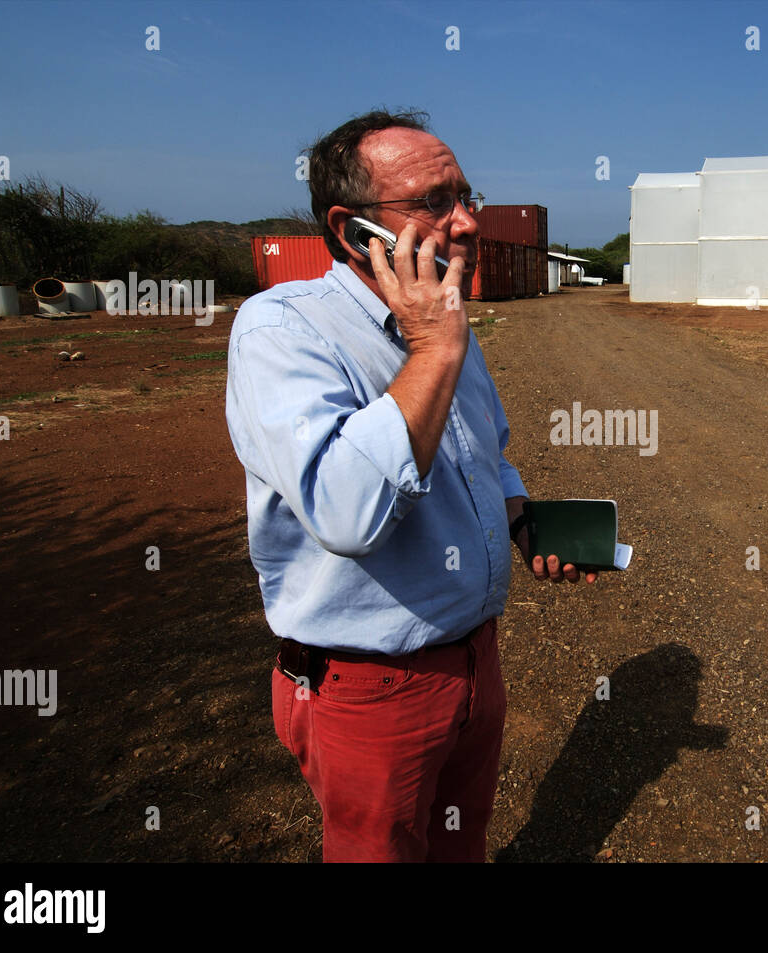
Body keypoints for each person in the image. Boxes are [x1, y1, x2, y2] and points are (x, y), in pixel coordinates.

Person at [225, 108, 596, 862]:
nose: (467, 222)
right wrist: (431, 350)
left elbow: (488, 455)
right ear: (351, 229)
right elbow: (345, 513)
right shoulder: (282, 330)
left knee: (461, 843)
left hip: (473, 662)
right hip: (367, 688)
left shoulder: (447, 325)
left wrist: (523, 523)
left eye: (466, 197)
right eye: (434, 202)